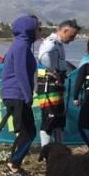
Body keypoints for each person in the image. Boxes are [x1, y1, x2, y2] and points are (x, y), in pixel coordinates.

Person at [0, 16, 39, 176]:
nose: (38, 31)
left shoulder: (20, 44)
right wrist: (28, 95)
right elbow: (21, 72)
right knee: (29, 132)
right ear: (28, 29)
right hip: (16, 94)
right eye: (37, 28)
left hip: (14, 93)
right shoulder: (22, 46)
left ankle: (12, 163)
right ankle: (13, 164)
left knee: (25, 130)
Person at [36, 19, 79, 147]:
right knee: (49, 121)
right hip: (48, 87)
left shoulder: (58, 44)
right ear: (65, 30)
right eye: (71, 36)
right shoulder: (51, 43)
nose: (72, 40)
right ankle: (46, 153)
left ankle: (60, 149)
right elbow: (43, 56)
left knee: (59, 121)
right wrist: (53, 73)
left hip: (56, 86)